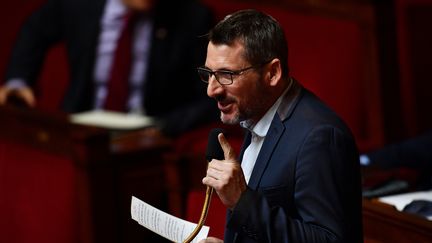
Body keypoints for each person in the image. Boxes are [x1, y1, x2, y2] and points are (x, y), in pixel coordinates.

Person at [198, 9, 363, 242]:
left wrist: (242, 202)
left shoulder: (320, 137)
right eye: (209, 74)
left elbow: (329, 240)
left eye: (226, 74)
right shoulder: (257, 113)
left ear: (272, 73)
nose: (211, 90)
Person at [0, 0, 218, 136]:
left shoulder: (193, 17)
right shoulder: (78, 4)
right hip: (81, 127)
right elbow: (35, 30)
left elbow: (208, 97)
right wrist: (19, 81)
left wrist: (164, 127)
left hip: (146, 138)